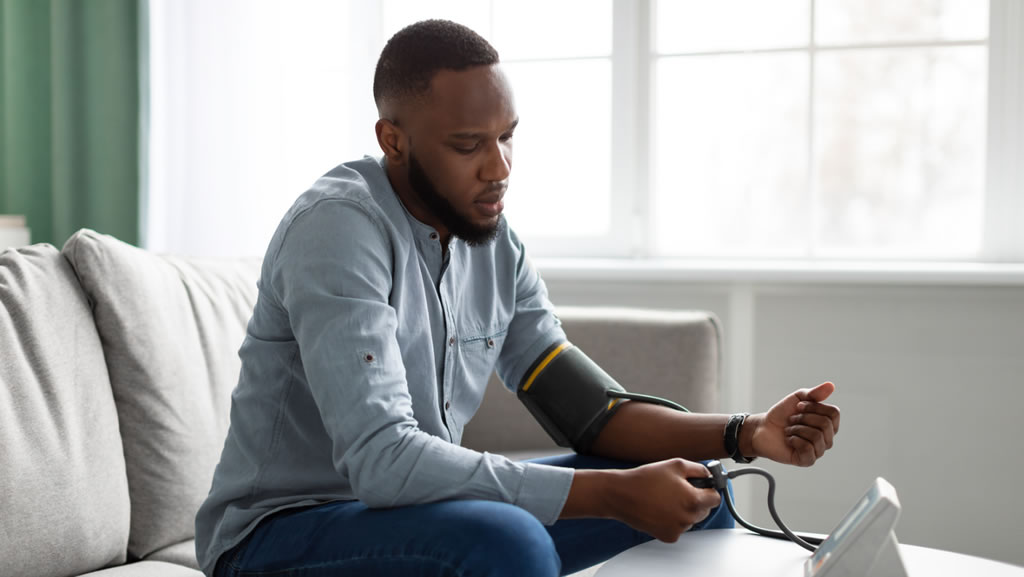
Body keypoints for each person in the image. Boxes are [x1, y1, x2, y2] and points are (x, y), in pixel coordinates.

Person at [195, 19, 841, 577]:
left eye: (507, 136)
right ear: (393, 140)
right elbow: (383, 462)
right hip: (278, 535)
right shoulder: (338, 227)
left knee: (701, 485)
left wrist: (748, 433)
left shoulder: (495, 244)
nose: (499, 167)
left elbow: (590, 413)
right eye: (468, 145)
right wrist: (612, 494)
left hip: (414, 513)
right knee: (508, 539)